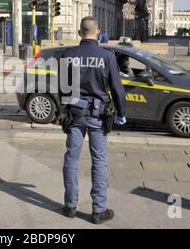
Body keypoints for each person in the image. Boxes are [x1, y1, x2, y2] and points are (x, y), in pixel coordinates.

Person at [59, 17, 127, 224]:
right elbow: (117, 88)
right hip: (99, 114)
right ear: (98, 32)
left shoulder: (68, 55)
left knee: (71, 157)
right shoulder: (107, 56)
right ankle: (98, 210)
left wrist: (64, 112)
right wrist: (121, 112)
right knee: (99, 160)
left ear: (79, 33)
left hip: (75, 114)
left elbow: (62, 89)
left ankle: (70, 206)